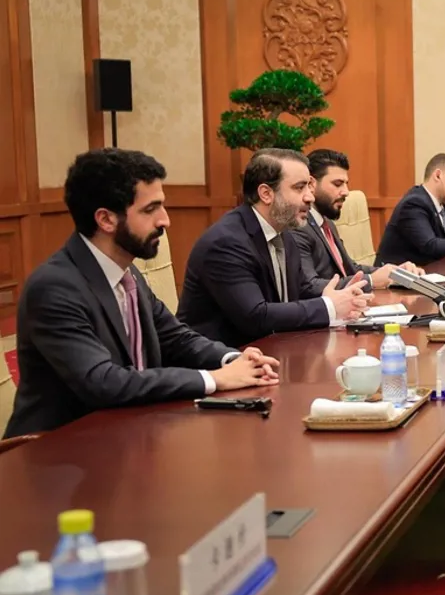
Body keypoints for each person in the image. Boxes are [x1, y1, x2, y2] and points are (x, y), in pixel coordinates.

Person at [4, 149, 279, 438]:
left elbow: (175, 338)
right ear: (106, 220)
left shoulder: (127, 272)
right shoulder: (54, 288)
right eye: (150, 210)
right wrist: (214, 379)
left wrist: (232, 359)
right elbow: (103, 382)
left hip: (128, 434)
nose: (165, 221)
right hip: (56, 449)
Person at [178, 148, 371, 346]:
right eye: (299, 188)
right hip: (225, 357)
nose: (310, 197)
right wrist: (328, 307)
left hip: (274, 350)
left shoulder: (284, 233)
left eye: (309, 187)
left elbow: (302, 290)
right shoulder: (226, 242)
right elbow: (256, 316)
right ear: (266, 194)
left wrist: (339, 297)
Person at [292, 148, 423, 291]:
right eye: (337, 184)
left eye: (346, 184)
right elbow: (309, 285)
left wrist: (394, 273)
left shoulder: (327, 223)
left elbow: (350, 268)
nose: (346, 192)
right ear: (311, 184)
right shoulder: (299, 226)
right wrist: (371, 280)